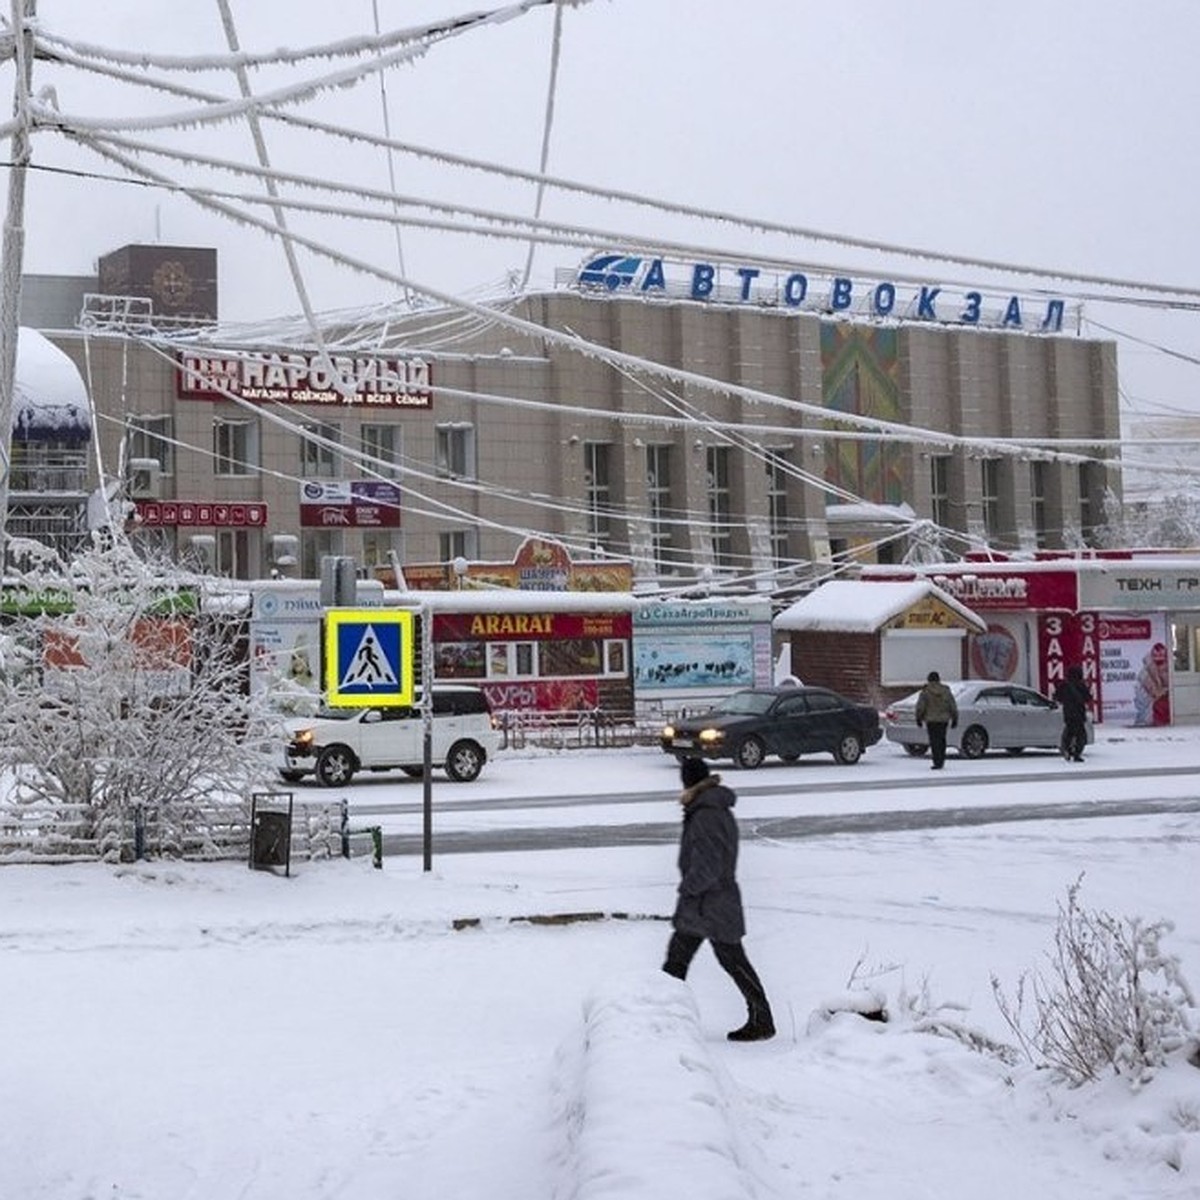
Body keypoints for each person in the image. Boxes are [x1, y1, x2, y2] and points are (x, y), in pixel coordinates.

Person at [662, 757, 775, 1042]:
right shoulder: (708, 808)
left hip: (710, 902)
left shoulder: (706, 813)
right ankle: (664, 1018)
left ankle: (663, 1020)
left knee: (725, 960)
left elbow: (708, 864)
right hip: (709, 901)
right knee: (682, 959)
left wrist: (689, 888)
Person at [915, 670, 958, 770]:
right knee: (942, 739)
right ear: (939, 679)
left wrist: (919, 718)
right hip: (943, 720)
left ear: (929, 679)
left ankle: (936, 761)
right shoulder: (946, 690)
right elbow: (952, 705)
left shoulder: (925, 691)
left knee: (934, 741)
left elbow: (921, 707)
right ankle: (942, 760)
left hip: (931, 720)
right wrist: (955, 718)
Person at [1055, 664, 1092, 762]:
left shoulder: (1064, 685)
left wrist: (1067, 701)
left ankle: (1067, 749)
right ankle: (1077, 754)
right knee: (1081, 734)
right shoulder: (1081, 685)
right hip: (1079, 713)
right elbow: (1088, 698)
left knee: (1069, 732)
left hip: (1068, 713)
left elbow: (1057, 697)